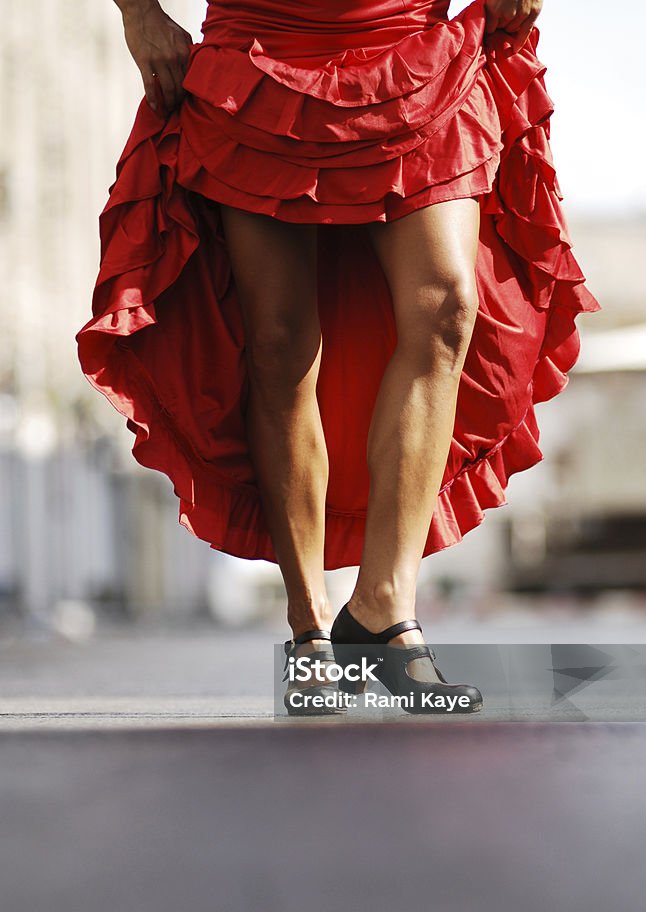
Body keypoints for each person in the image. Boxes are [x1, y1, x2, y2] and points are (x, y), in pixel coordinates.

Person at [77, 0, 599, 715]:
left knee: (447, 305)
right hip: (263, 56)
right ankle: (310, 629)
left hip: (416, 44)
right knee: (281, 341)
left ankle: (385, 610)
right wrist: (139, 13)